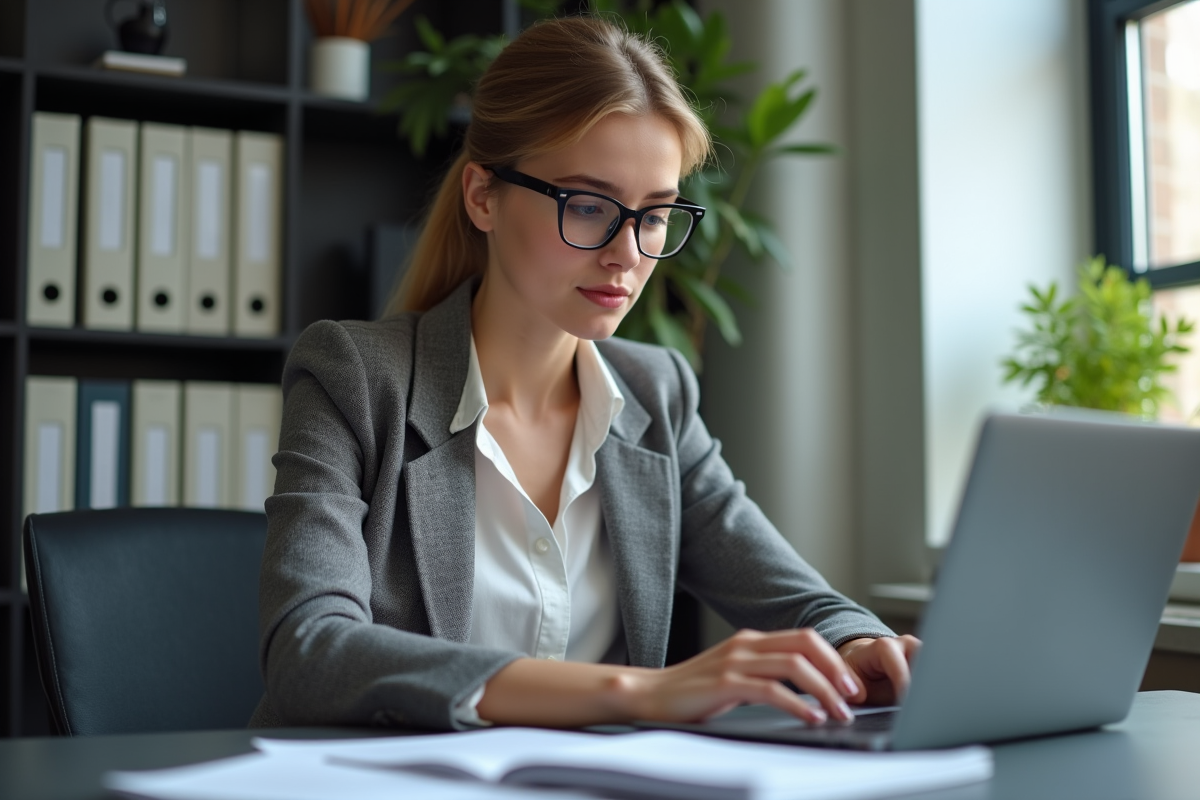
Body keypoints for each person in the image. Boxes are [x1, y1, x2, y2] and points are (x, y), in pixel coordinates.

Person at [250, 15, 918, 732]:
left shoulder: (654, 396)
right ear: (483, 196)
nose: (627, 253)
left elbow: (799, 599)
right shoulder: (355, 377)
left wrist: (861, 641)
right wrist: (637, 693)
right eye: (590, 206)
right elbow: (310, 650)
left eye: (655, 215)